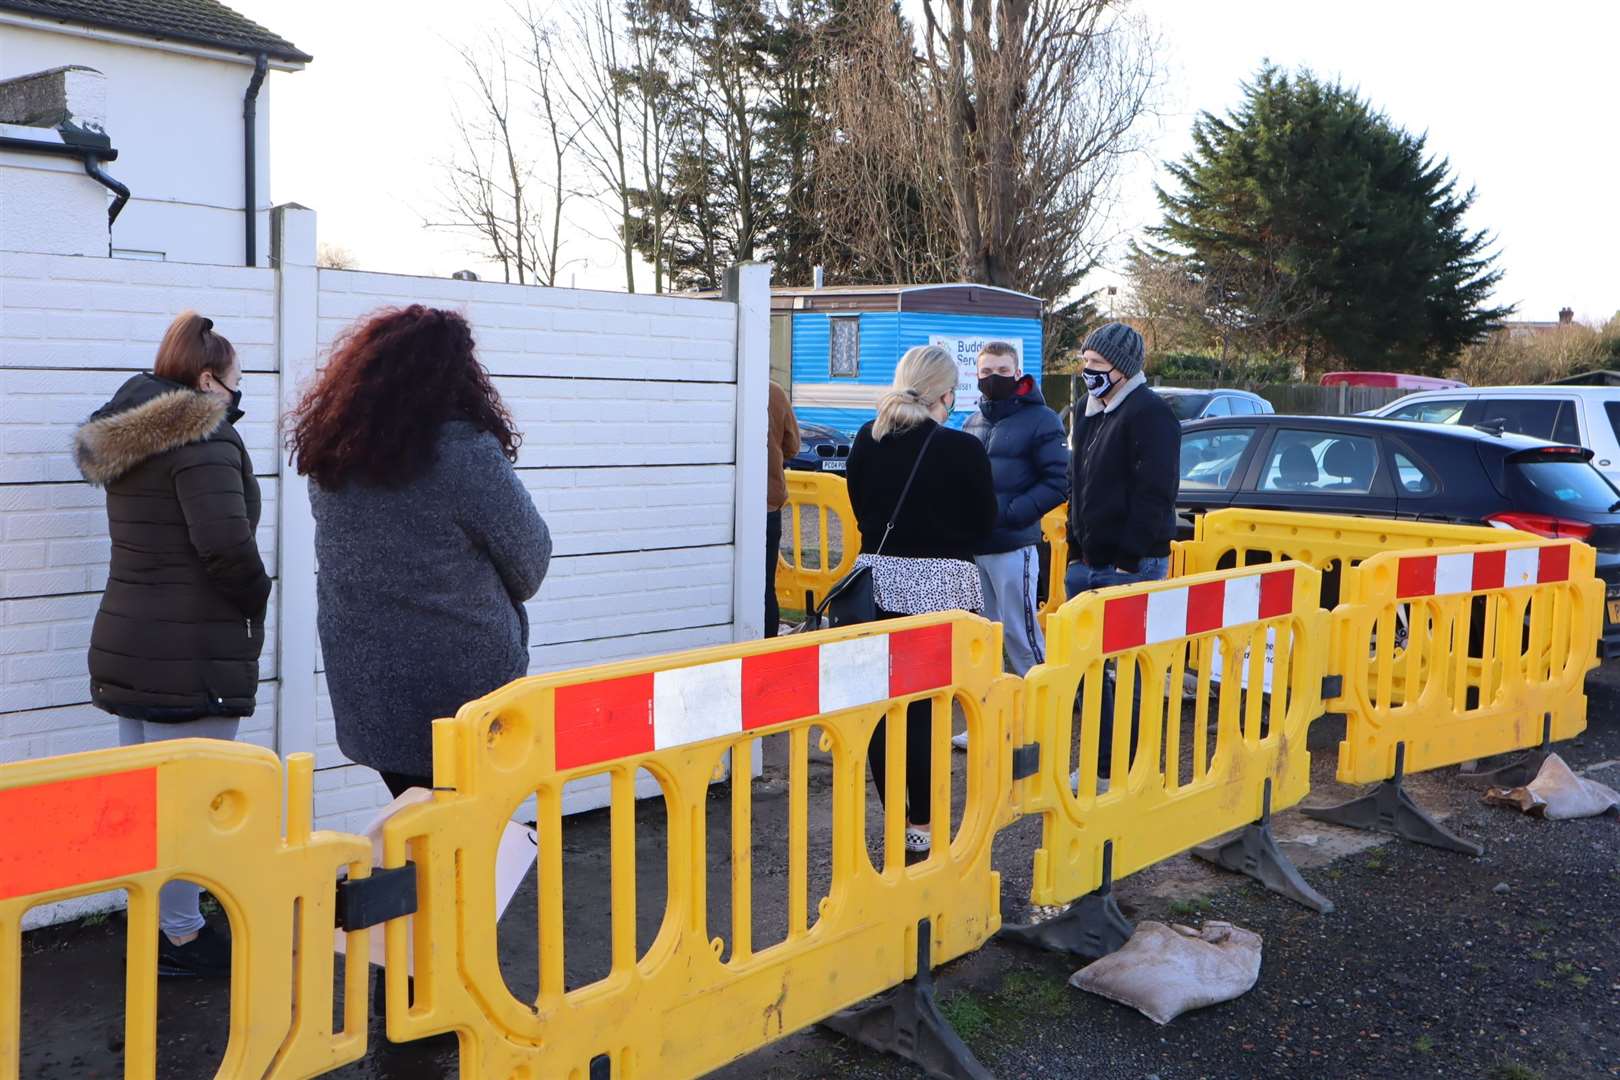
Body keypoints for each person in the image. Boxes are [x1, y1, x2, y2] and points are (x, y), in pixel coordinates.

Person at [75, 311, 270, 978]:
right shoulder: (203, 440)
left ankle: (159, 925)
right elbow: (225, 545)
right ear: (210, 378)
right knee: (191, 803)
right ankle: (181, 939)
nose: (240, 393)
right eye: (237, 380)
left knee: (148, 804)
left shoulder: (130, 441)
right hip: (189, 651)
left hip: (131, 640)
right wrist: (255, 597)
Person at [290, 305, 551, 799]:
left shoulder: (335, 460)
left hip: (370, 692)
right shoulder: (463, 454)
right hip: (462, 700)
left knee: (418, 827)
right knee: (468, 842)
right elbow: (530, 563)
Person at [845, 345, 996, 854]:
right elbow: (982, 525)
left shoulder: (867, 440)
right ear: (946, 394)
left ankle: (895, 820)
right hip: (942, 591)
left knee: (883, 710)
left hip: (877, 586)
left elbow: (863, 511)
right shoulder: (963, 449)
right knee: (927, 713)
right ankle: (925, 824)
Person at [1066, 322, 1180, 787]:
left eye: (1097, 364)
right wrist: (1076, 551)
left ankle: (1120, 769)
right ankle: (1096, 762)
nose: (1087, 371)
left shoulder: (1151, 413)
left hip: (1130, 564)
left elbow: (1156, 493)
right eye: (1085, 362)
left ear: (1123, 368)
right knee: (1090, 674)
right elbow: (1077, 482)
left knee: (1125, 674)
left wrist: (1128, 559)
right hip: (1087, 563)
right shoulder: (1087, 409)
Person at [963, 341, 1067, 676]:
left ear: (1018, 373)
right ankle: (992, 720)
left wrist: (1011, 515)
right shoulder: (972, 422)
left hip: (1013, 546)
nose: (995, 378)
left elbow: (1059, 481)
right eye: (987, 372)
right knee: (983, 637)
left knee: (1020, 636)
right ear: (977, 376)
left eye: (1003, 371)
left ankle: (1044, 717)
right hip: (976, 546)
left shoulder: (1043, 420)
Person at [765, 381, 801, 637]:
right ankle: (768, 650)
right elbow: (792, 445)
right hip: (769, 502)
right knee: (766, 587)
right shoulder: (774, 392)